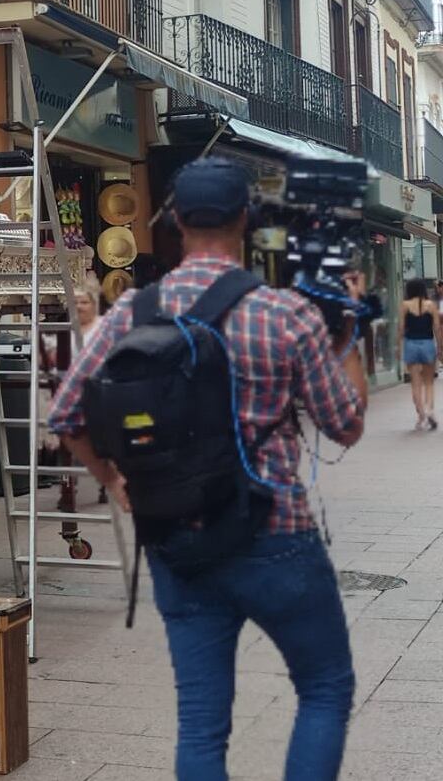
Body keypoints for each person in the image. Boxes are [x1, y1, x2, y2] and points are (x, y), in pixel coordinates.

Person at [48, 157, 368, 781]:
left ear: (174, 222)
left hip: (175, 538)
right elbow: (346, 425)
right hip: (276, 533)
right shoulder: (285, 313)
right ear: (245, 219)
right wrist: (349, 335)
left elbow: (66, 416)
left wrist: (115, 483)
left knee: (201, 721)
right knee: (325, 687)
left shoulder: (133, 312)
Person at [397, 279, 440, 430]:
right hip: (427, 343)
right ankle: (429, 410)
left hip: (411, 344)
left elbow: (401, 329)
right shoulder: (431, 305)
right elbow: (436, 328)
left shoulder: (405, 305)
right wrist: (440, 348)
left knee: (415, 383)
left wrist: (398, 347)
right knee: (428, 382)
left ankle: (421, 415)